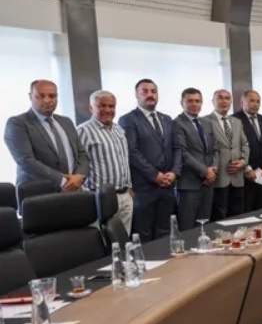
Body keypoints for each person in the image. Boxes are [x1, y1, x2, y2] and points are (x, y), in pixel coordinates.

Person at [119, 78, 180, 241]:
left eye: (153, 91)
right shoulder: (128, 119)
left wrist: (174, 172)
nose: (150, 95)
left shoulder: (167, 119)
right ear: (136, 95)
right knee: (144, 234)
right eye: (144, 91)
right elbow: (132, 151)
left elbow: (177, 148)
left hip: (168, 186)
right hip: (144, 188)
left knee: (165, 232)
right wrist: (155, 175)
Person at [5, 79, 89, 190]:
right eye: (41, 96)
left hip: (74, 189)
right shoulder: (18, 123)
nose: (47, 100)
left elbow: (82, 154)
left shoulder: (66, 122)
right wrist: (63, 181)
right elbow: (26, 161)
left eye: (52, 96)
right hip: (39, 192)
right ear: (30, 96)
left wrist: (80, 176)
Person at [77, 90, 133, 235]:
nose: (107, 110)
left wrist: (129, 188)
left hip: (125, 195)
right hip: (99, 198)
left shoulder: (118, 129)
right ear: (91, 108)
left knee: (123, 239)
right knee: (101, 239)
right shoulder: (83, 131)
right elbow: (78, 165)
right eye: (102, 106)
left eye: (111, 106)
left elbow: (124, 160)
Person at [172, 88, 218, 231]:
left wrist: (214, 170)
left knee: (204, 226)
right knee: (187, 228)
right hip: (189, 184)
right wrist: (205, 172)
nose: (194, 104)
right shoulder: (177, 123)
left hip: (208, 183)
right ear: (182, 103)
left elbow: (215, 148)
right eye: (190, 101)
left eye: (197, 101)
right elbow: (183, 153)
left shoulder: (207, 122)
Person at [205, 89, 251, 220]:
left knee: (237, 216)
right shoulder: (205, 121)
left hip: (237, 177)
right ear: (213, 101)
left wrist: (243, 162)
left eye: (227, 98)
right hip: (218, 177)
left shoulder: (237, 122)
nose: (224, 101)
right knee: (219, 217)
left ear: (231, 101)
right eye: (220, 98)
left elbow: (245, 144)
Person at [234, 90, 262, 211]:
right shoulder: (235, 120)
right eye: (251, 101)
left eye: (258, 101)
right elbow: (236, 148)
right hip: (245, 174)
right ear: (242, 102)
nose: (255, 104)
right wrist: (247, 168)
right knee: (247, 211)